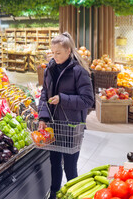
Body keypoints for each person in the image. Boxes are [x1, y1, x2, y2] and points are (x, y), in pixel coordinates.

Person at [38, 32, 94, 199]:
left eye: (58, 53)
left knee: (70, 167)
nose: (54, 57)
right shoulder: (50, 69)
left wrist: (62, 99)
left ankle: (73, 195)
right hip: (54, 126)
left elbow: (87, 100)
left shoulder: (79, 71)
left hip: (72, 127)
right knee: (54, 163)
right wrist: (43, 117)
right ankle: (53, 194)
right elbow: (44, 94)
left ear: (68, 51)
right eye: (52, 52)